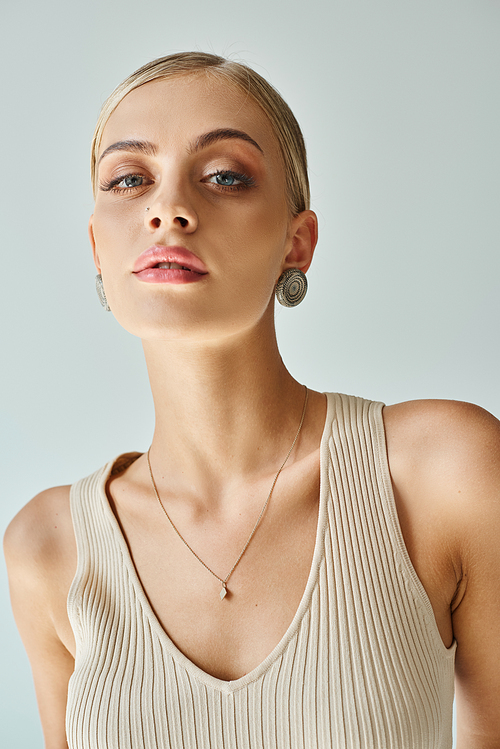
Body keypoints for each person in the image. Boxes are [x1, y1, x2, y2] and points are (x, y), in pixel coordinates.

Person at [3, 52, 500, 749]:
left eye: (224, 177)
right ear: (96, 248)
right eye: (129, 179)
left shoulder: (443, 474)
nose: (167, 209)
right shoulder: (49, 546)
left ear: (297, 242)